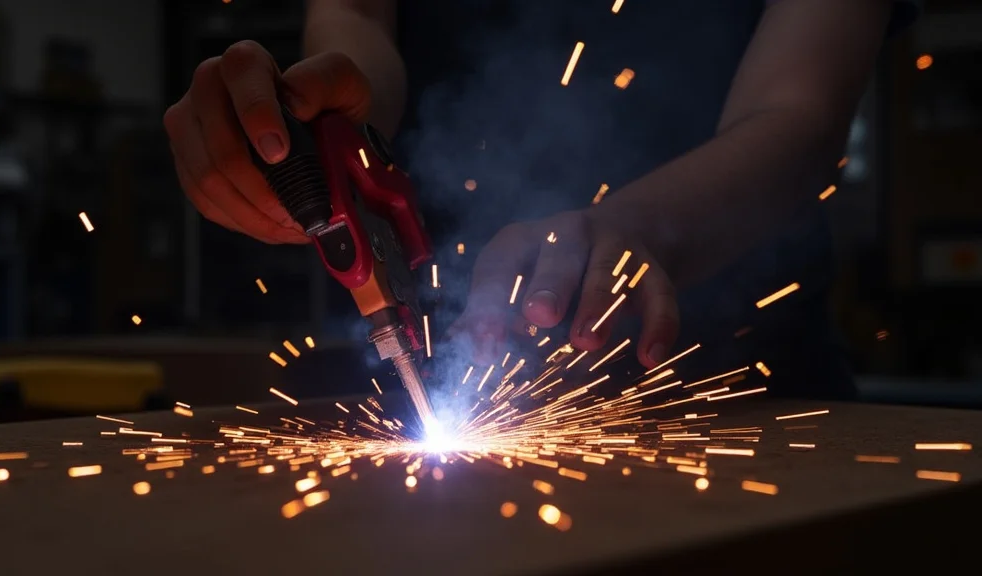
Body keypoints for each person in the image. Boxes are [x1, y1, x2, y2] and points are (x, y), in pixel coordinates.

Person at [164, 0, 917, 400]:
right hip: (461, 355)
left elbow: (800, 112)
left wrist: (631, 231)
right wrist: (312, 124)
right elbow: (355, 20)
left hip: (757, 392)